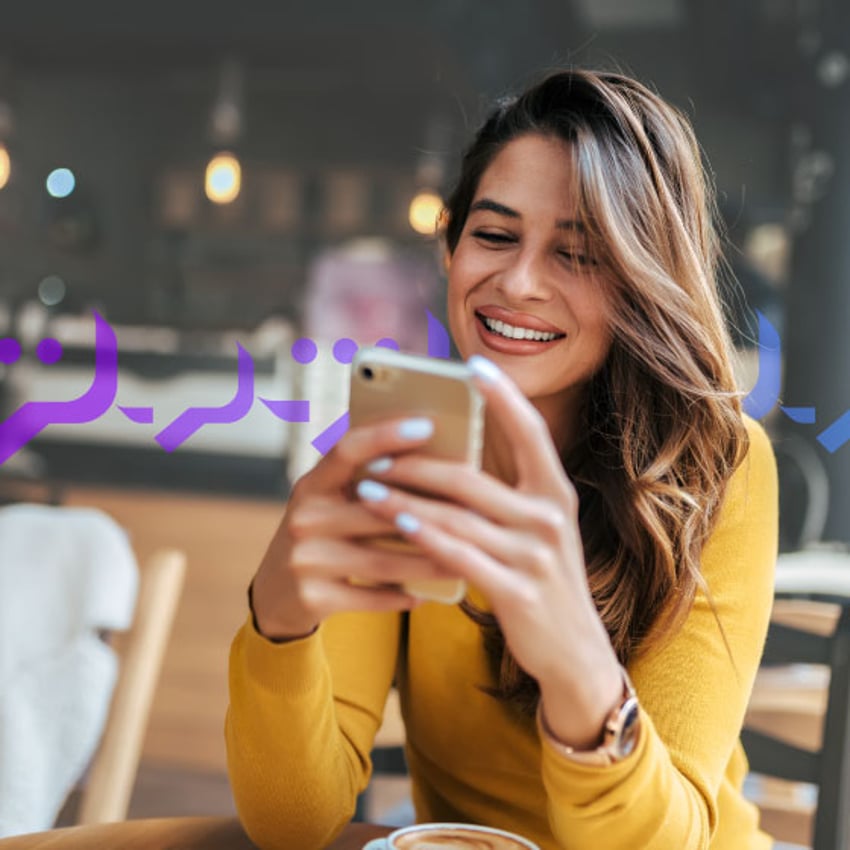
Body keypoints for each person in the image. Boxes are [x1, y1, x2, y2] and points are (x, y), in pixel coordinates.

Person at [225, 68, 778, 850]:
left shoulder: (717, 466)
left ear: (640, 284)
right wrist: (278, 619)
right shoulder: (402, 451)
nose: (518, 283)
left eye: (578, 254)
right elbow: (293, 824)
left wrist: (575, 660)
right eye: (493, 234)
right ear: (451, 247)